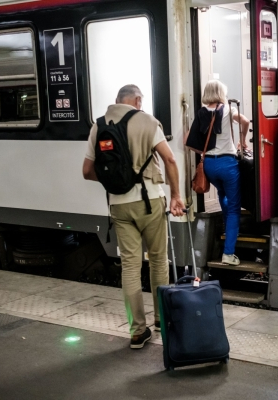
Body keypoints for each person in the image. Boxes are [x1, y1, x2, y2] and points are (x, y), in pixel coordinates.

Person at [82, 84, 185, 349]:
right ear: (137, 100)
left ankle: (137, 332)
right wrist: (176, 196)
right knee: (158, 260)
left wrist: (116, 183)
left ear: (117, 101)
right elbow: (170, 160)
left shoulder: (99, 125)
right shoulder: (148, 121)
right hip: (149, 201)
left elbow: (87, 171)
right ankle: (162, 320)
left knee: (130, 266)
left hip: (118, 205)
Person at [186, 80, 249, 266]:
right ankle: (228, 254)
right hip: (227, 164)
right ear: (222, 92)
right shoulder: (229, 109)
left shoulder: (201, 113)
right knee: (235, 208)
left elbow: (190, 143)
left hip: (209, 167)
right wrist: (242, 140)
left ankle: (227, 225)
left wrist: (205, 153)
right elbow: (245, 121)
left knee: (223, 195)